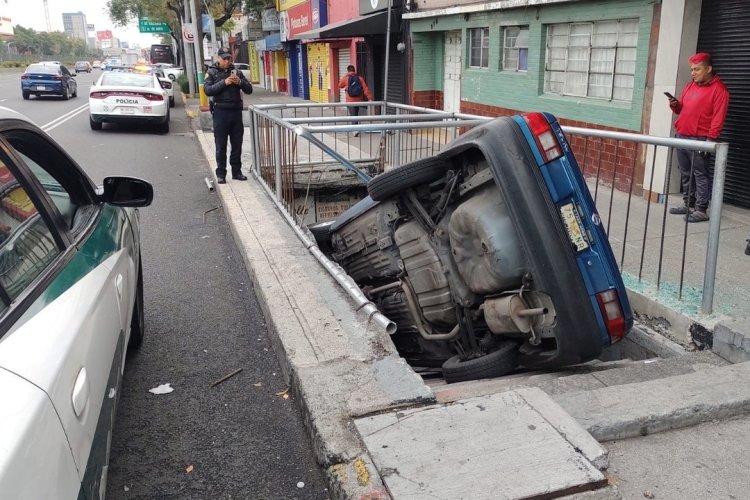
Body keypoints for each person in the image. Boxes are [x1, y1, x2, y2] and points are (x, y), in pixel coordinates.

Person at [667, 52, 729, 223]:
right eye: (692, 69)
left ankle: (701, 210)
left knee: (700, 174)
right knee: (685, 173)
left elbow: (718, 117)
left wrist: (711, 140)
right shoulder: (689, 86)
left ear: (708, 69)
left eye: (697, 69)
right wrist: (674, 105)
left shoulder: (719, 90)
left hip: (700, 139)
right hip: (682, 136)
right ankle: (688, 205)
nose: (693, 73)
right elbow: (681, 110)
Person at [204, 47, 253, 184]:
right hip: (220, 112)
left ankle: (236, 172)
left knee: (237, 144)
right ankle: (221, 173)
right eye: (224, 58)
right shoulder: (211, 72)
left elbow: (249, 90)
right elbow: (208, 90)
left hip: (236, 112)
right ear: (218, 58)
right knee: (221, 145)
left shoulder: (236, 72)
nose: (226, 61)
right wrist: (224, 83)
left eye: (229, 58)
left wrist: (240, 82)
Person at [338, 65, 373, 137]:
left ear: (348, 71)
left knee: (352, 115)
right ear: (354, 70)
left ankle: (355, 130)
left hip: (350, 101)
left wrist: (345, 76)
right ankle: (355, 129)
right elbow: (365, 88)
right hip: (358, 100)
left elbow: (340, 85)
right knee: (356, 114)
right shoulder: (360, 78)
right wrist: (369, 98)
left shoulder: (346, 78)